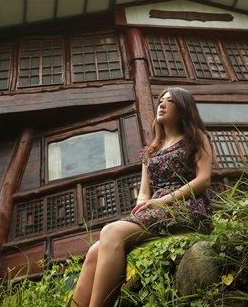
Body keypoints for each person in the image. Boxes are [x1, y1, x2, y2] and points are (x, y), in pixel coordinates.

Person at [71, 87, 214, 307]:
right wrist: (140, 210)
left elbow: (203, 181)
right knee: (94, 251)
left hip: (186, 207)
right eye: (160, 101)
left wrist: (162, 201)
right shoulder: (151, 150)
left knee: (110, 231)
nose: (162, 104)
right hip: (155, 209)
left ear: (184, 109)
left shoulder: (197, 138)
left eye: (170, 101)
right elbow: (144, 192)